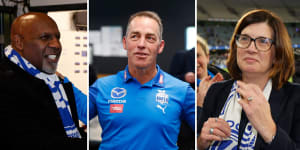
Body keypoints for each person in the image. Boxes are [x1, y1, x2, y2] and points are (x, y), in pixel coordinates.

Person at [89, 11, 195, 150]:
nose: (141, 44)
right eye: (135, 36)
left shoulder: (182, 90)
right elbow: (71, 111)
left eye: (150, 38)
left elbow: (205, 133)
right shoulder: (102, 87)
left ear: (160, 46)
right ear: (125, 43)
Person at [198, 9, 300, 150]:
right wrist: (201, 143)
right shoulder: (216, 91)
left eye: (263, 41)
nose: (251, 48)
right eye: (244, 39)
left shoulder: (295, 98)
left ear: (277, 53)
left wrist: (270, 130)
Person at [0, 12, 86, 149]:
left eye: (58, 37)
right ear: (19, 43)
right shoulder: (6, 84)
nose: (57, 45)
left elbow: (68, 131)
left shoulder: (56, 81)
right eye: (45, 37)